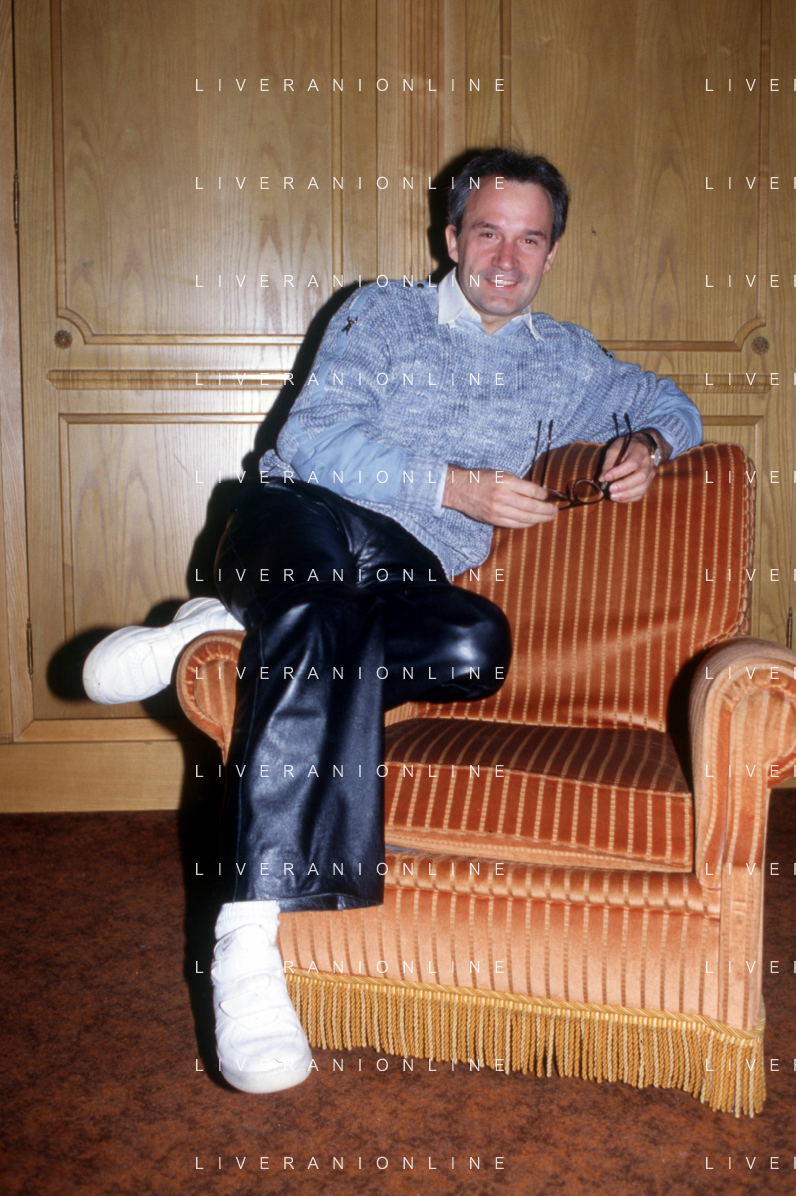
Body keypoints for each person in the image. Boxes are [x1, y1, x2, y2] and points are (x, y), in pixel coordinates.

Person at [84, 148, 702, 1095]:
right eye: (487, 232)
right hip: (304, 515)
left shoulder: (568, 359)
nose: (506, 258)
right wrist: (458, 486)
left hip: (407, 567)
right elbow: (311, 437)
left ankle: (226, 630)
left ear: (552, 252)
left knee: (475, 646)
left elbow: (669, 401)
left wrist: (650, 442)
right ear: (451, 238)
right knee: (314, 597)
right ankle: (247, 940)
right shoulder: (382, 310)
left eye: (529, 239)